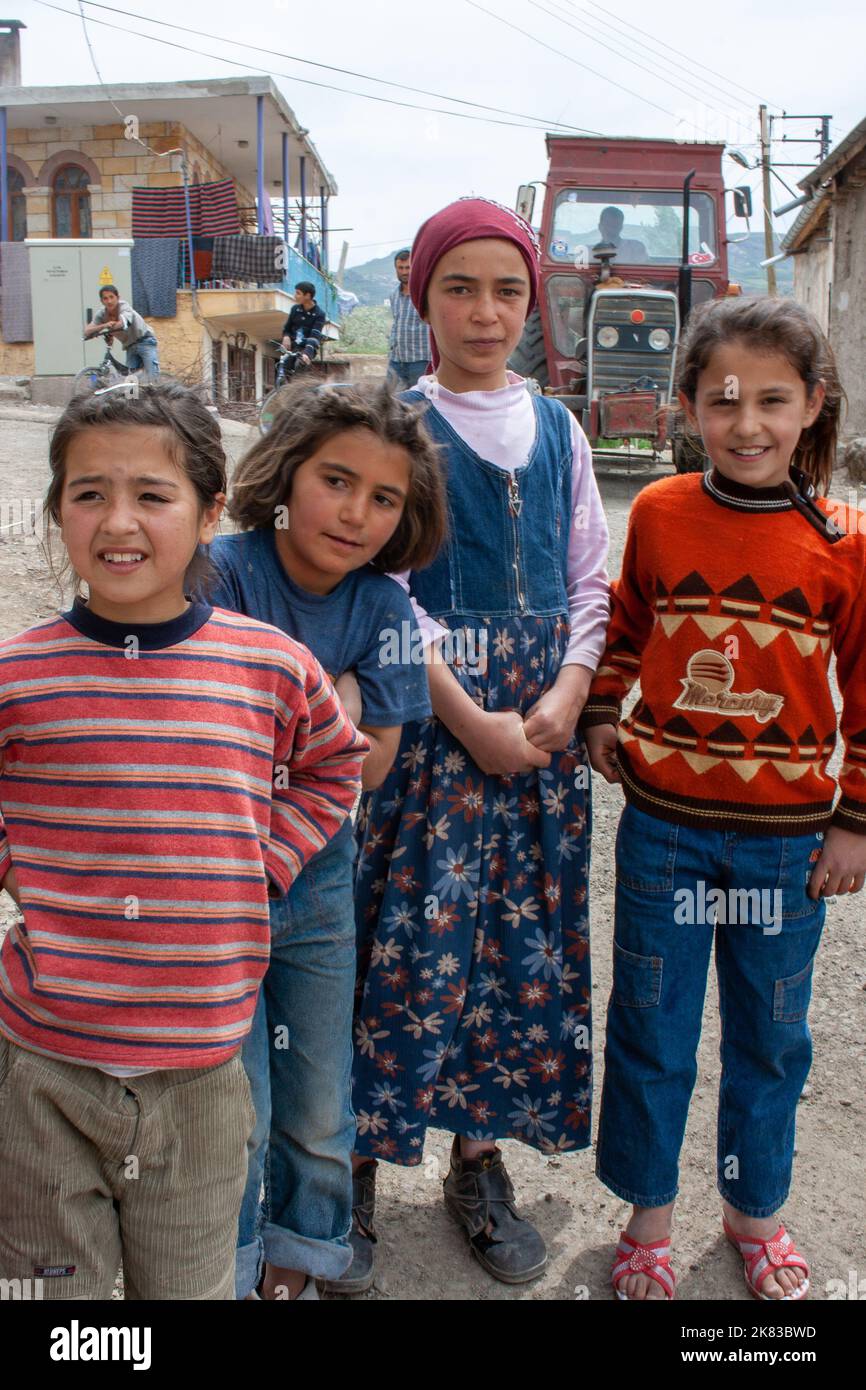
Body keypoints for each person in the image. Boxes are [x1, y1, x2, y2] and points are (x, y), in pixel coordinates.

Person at [0, 382, 367, 1301]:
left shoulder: (270, 666)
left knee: (193, 1287)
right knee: (52, 1295)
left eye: (152, 495)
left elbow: (335, 766)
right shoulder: (19, 676)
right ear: (57, 512)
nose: (118, 520)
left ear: (209, 515)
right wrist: (26, 873)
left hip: (203, 1076)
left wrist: (263, 862)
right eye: (89, 493)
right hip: (45, 1068)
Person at [338, 197, 611, 1291]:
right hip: (432, 728)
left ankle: (477, 1161)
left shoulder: (560, 429)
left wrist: (572, 687)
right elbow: (387, 592)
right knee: (405, 948)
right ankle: (349, 1168)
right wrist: (467, 717)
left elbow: (591, 576)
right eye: (459, 287)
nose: (485, 311)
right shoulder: (398, 430)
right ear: (423, 297)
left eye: (507, 289)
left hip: (541, 730)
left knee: (514, 950)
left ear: (531, 301)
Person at [582, 295, 866, 1301]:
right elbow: (625, 626)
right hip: (662, 828)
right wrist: (602, 713)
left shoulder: (842, 539)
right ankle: (646, 1219)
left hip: (786, 848)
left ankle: (753, 1214)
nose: (746, 423)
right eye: (721, 400)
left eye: (772, 400)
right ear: (687, 407)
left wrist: (851, 820)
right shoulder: (658, 512)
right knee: (651, 1026)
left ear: (811, 406)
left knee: (770, 1033)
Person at [208, 378, 448, 1301]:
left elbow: (374, 769)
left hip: (317, 874)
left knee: (315, 1089)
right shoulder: (223, 574)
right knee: (238, 1099)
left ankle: (301, 1255)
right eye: (335, 480)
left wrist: (303, 721)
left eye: (384, 497)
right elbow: (209, 735)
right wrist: (335, 697)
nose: (356, 514)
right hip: (217, 873)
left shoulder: (384, 613)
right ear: (286, 473)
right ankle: (222, 1267)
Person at [83, 284, 160, 380]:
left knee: (153, 377)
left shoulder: (124, 307)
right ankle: (134, 395)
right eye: (105, 298)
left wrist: (109, 328)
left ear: (118, 297)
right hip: (130, 346)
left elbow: (122, 323)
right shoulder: (102, 314)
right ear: (102, 301)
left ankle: (158, 393)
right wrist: (104, 326)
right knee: (130, 380)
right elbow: (87, 331)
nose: (109, 301)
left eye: (111, 297)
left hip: (146, 341)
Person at [388, 248, 430, 389]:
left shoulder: (425, 294)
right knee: (392, 403)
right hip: (397, 360)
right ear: (396, 269)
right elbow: (397, 324)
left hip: (421, 360)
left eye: (408, 267)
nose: (404, 272)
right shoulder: (394, 294)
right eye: (401, 268)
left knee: (422, 402)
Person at [280, 281, 326, 370]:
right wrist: (286, 337)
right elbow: (287, 329)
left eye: (298, 293)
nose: (295, 296)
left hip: (307, 347)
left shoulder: (319, 314)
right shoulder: (295, 309)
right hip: (292, 347)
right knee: (282, 368)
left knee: (300, 364)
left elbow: (314, 337)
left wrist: (307, 353)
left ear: (307, 296)